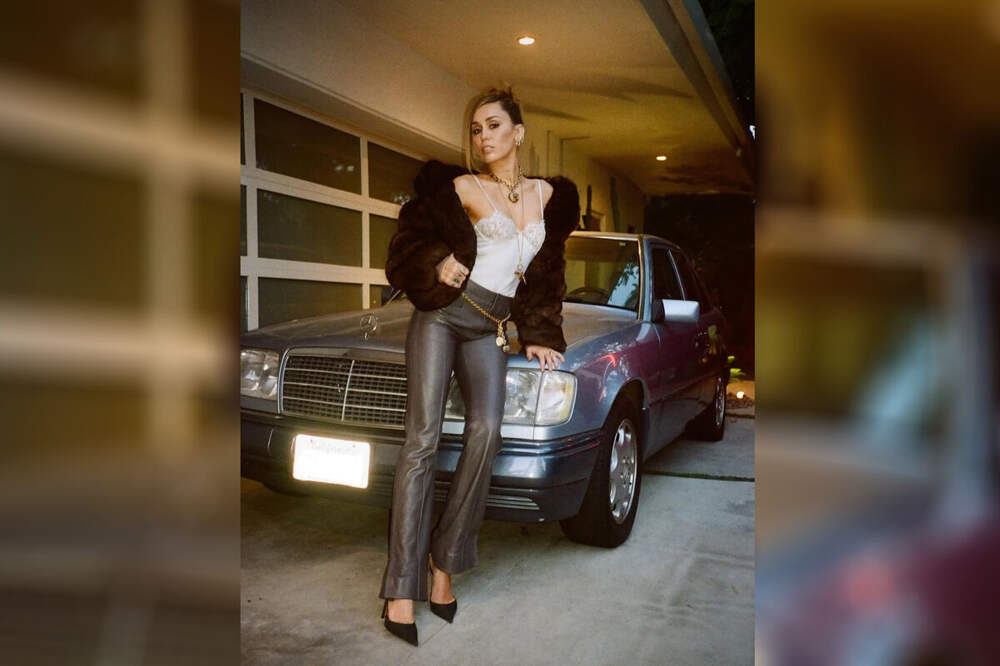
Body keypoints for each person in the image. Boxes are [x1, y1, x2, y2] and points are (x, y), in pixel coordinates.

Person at [377, 87, 580, 646]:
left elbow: (545, 277)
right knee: (421, 440)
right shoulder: (460, 188)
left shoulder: (547, 197)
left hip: (490, 326)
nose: (483, 137)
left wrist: (539, 335)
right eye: (475, 129)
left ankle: (444, 563)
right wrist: (435, 262)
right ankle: (400, 586)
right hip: (442, 317)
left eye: (493, 125)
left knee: (487, 432)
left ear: (518, 132)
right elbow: (406, 245)